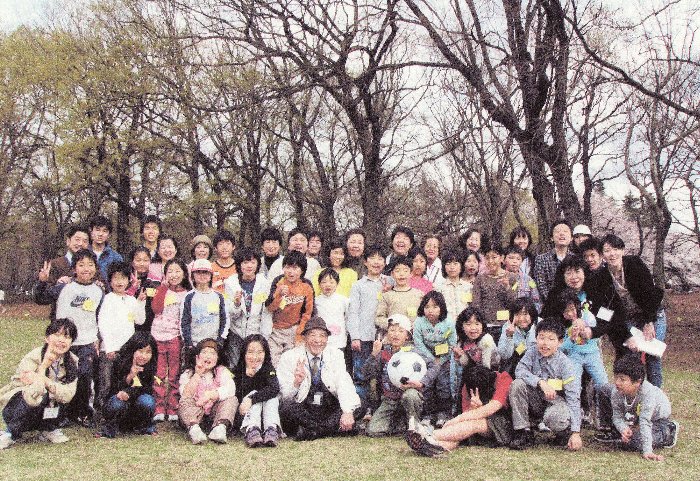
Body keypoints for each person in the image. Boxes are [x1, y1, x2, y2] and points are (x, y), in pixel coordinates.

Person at [38, 249, 104, 425]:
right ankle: (60, 413)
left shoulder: (99, 291)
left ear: (95, 268)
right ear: (74, 268)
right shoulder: (63, 287)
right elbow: (41, 298)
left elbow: (100, 316)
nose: (86, 269)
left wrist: (98, 338)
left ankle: (82, 412)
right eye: (81, 265)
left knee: (84, 375)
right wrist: (43, 282)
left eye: (90, 265)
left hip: (87, 342)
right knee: (62, 376)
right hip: (64, 342)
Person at [278, 317, 364, 441]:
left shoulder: (336, 355)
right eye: (312, 335)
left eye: (322, 336)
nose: (318, 340)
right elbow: (284, 395)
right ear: (305, 337)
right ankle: (331, 429)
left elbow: (343, 383)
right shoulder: (289, 357)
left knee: (359, 405)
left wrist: (347, 412)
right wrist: (296, 383)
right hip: (304, 408)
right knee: (286, 408)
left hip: (327, 407)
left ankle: (313, 431)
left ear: (327, 339)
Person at [0, 319, 79, 450]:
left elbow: (68, 394)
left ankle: (49, 429)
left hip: (51, 406)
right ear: (47, 338)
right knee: (38, 392)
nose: (61, 340)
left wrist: (45, 381)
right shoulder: (34, 356)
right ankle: (10, 433)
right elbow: (30, 384)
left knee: (59, 396)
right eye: (57, 335)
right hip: (18, 406)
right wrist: (43, 366)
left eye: (67, 337)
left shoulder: (72, 361)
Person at [406, 364, 514, 457]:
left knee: (473, 424)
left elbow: (493, 407)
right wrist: (473, 408)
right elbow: (466, 412)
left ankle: (429, 435)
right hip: (476, 427)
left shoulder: (503, 378)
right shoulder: (469, 384)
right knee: (456, 437)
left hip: (503, 423)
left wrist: (456, 419)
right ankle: (430, 446)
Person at [601, 234, 666, 387]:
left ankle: (655, 394)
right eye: (607, 250)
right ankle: (632, 393)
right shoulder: (603, 276)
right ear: (602, 255)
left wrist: (649, 322)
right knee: (629, 356)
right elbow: (608, 312)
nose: (612, 254)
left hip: (652, 314)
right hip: (629, 318)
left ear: (622, 250)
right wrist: (626, 336)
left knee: (652, 356)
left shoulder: (634, 264)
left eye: (616, 249)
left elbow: (652, 293)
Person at [508, 319, 582, 451]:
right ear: (536, 338)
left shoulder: (566, 365)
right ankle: (523, 431)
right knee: (517, 384)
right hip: (536, 399)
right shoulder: (531, 352)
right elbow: (520, 370)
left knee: (555, 417)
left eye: (551, 339)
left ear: (560, 342)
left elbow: (573, 398)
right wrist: (540, 382)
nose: (545, 343)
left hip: (556, 403)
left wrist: (576, 432)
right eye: (541, 338)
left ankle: (564, 432)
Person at [596, 354, 678, 461]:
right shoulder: (617, 390)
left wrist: (647, 451)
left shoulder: (648, 394)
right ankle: (610, 431)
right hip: (637, 417)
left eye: (622, 379)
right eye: (616, 377)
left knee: (635, 441)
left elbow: (645, 422)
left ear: (637, 382)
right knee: (605, 389)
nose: (617, 382)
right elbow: (617, 416)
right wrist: (623, 428)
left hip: (656, 421)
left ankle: (668, 433)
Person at [363, 314, 433, 437]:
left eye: (401, 331)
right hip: (389, 399)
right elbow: (366, 373)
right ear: (387, 333)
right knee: (373, 431)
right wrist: (374, 354)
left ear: (407, 335)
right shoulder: (383, 352)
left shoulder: (414, 351)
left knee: (410, 395)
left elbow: (434, 366)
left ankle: (414, 424)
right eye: (392, 330)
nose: (396, 334)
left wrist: (422, 383)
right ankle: (398, 424)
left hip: (408, 396)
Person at [96, 262, 147, 413]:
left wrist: (141, 302)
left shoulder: (131, 300)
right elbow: (103, 324)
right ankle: (101, 411)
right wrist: (109, 347)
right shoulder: (107, 299)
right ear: (110, 280)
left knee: (124, 381)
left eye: (123, 278)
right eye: (116, 278)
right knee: (106, 382)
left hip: (127, 351)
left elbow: (140, 320)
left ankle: (120, 411)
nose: (120, 282)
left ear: (129, 280)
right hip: (110, 350)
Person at [151, 258, 192, 422]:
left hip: (175, 337)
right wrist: (163, 288)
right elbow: (155, 308)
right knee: (159, 373)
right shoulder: (161, 289)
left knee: (174, 373)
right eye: (170, 271)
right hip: (157, 336)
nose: (174, 275)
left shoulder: (187, 294)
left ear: (184, 274)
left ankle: (173, 407)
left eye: (177, 271)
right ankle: (159, 407)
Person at [347, 245, 388, 408]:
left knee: (382, 375)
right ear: (365, 262)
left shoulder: (389, 282)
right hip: (363, 337)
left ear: (385, 262)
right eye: (372, 258)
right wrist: (355, 337)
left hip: (384, 337)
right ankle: (361, 409)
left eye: (380, 258)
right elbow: (353, 312)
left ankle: (380, 408)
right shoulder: (358, 285)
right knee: (361, 374)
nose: (376, 262)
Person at [97, 332, 158, 438]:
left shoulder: (150, 365)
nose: (144, 356)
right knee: (117, 402)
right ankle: (110, 428)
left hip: (135, 406)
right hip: (118, 403)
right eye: (140, 351)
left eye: (148, 352)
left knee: (147, 401)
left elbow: (146, 389)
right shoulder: (119, 361)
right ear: (133, 349)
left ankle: (144, 426)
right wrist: (130, 376)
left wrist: (128, 393)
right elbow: (112, 388)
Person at [178, 339, 238, 444]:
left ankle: (220, 428)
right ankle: (194, 429)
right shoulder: (188, 373)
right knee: (184, 401)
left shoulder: (222, 371)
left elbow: (231, 388)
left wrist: (211, 395)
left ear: (217, 358)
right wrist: (197, 374)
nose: (208, 356)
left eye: (212, 353)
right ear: (197, 357)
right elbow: (185, 394)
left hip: (214, 413)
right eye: (204, 352)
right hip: (195, 413)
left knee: (232, 399)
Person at [412, 291, 456, 426]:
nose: (430, 310)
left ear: (441, 307)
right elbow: (418, 343)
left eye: (435, 306)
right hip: (425, 359)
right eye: (427, 307)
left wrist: (441, 360)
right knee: (427, 386)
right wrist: (431, 360)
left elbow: (452, 344)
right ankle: (427, 414)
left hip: (444, 359)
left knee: (443, 386)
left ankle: (443, 413)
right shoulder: (419, 322)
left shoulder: (448, 322)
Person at [224, 247, 272, 371]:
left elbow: (266, 313)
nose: (249, 266)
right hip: (236, 333)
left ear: (258, 264)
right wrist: (236, 304)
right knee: (235, 367)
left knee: (254, 367)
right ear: (239, 265)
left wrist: (264, 336)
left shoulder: (264, 283)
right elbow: (230, 314)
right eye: (245, 262)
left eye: (252, 262)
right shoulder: (231, 283)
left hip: (255, 333)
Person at [265, 251, 315, 366]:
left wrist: (299, 335)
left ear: (302, 270)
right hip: (275, 331)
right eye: (288, 267)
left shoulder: (306, 286)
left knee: (291, 363)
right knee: (274, 363)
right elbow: (270, 308)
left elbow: (307, 314)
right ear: (283, 268)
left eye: (295, 268)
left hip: (294, 329)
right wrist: (279, 294)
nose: (291, 272)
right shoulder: (278, 282)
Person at [234, 335, 281, 448]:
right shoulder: (238, 371)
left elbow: (274, 388)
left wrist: (252, 399)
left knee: (272, 398)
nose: (255, 357)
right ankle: (252, 430)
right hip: (245, 415)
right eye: (250, 352)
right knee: (253, 393)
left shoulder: (268, 369)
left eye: (260, 352)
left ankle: (271, 429)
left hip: (266, 414)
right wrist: (248, 378)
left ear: (265, 353)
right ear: (244, 353)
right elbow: (237, 394)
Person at [453, 307, 497, 413]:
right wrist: (459, 357)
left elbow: (486, 366)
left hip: (492, 371)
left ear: (482, 325)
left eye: (477, 324)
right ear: (462, 326)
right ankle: (462, 410)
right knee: (464, 380)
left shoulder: (486, 339)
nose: (473, 328)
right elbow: (465, 363)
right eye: (468, 324)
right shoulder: (462, 342)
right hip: (475, 370)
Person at [472, 243, 518, 344]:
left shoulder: (512, 278)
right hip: (486, 326)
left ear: (502, 258)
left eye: (494, 257)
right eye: (487, 258)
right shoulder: (480, 278)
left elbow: (515, 304)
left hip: (505, 325)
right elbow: (476, 303)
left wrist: (507, 287)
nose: (490, 261)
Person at [180, 259, 229, 352]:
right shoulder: (189, 297)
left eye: (206, 272)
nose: (202, 275)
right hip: (194, 344)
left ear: (211, 275)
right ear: (193, 276)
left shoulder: (219, 296)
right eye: (198, 272)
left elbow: (225, 319)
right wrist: (188, 343)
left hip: (214, 344)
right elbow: (184, 322)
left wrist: (220, 339)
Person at [375, 256, 424, 331]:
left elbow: (425, 316)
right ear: (392, 274)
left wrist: (417, 324)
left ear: (411, 273)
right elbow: (378, 318)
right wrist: (391, 324)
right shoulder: (386, 296)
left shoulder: (419, 295)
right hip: (393, 335)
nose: (401, 274)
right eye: (397, 271)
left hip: (414, 335)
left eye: (405, 271)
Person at [533, 220, 574, 302]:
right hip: (550, 304)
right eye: (558, 231)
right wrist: (555, 303)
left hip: (573, 304)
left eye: (565, 231)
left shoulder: (576, 259)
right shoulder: (541, 259)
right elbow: (541, 286)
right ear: (551, 238)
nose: (561, 234)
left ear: (571, 238)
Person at [497, 298, 538, 377]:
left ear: (532, 314)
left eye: (525, 314)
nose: (521, 318)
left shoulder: (540, 324)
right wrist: (509, 336)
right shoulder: (508, 326)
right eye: (517, 314)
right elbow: (504, 355)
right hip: (518, 361)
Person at [315, 268, 350, 353]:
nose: (328, 285)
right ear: (319, 284)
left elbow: (348, 318)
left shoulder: (344, 300)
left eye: (331, 282)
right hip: (321, 340)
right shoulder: (316, 301)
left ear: (337, 284)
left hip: (339, 340)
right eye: (324, 282)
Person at [504, 245, 542, 314]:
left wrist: (531, 314)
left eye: (518, 259)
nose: (514, 261)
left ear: (522, 261)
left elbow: (536, 300)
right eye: (511, 258)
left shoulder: (529, 280)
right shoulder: (499, 278)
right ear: (503, 259)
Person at [436, 249, 471, 321]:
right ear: (444, 267)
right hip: (445, 325)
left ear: (461, 266)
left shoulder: (468, 287)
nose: (452, 267)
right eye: (448, 263)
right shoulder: (438, 288)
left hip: (464, 325)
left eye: (455, 263)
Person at [88, 216, 123, 282]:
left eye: (104, 231)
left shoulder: (115, 257)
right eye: (97, 230)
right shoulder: (83, 253)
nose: (100, 234)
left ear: (109, 235)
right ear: (91, 232)